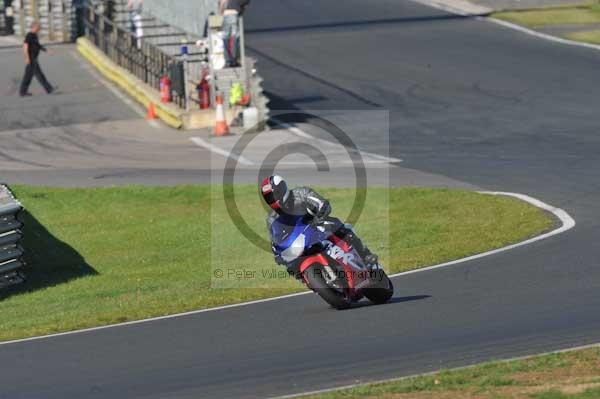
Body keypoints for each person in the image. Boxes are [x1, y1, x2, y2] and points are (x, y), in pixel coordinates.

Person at [261, 175, 379, 270]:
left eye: (274, 195)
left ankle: (365, 254)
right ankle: (312, 280)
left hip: (317, 225)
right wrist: (277, 254)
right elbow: (276, 240)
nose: (273, 199)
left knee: (339, 226)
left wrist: (319, 216)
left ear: (282, 189)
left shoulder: (301, 194)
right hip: (300, 241)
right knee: (290, 266)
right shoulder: (272, 218)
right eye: (269, 198)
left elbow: (322, 203)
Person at [19, 21, 54, 97]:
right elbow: (25, 47)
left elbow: (38, 45)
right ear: (34, 27)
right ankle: (49, 89)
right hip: (31, 59)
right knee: (39, 75)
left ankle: (22, 92)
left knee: (27, 77)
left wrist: (46, 50)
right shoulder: (29, 35)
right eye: (38, 27)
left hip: (34, 58)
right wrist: (27, 58)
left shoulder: (34, 35)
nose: (39, 29)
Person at [219, 0, 250, 67]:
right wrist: (240, 13)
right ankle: (234, 60)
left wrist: (221, 13)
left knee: (225, 38)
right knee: (235, 38)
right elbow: (243, 8)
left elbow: (223, 1)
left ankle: (227, 60)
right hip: (234, 14)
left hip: (226, 14)